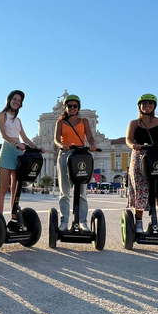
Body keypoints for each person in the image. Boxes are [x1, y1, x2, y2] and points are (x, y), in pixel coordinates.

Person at [125, 93, 158, 235]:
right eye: (144, 104)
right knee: (140, 189)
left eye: (150, 104)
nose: (147, 106)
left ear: (154, 106)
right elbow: (128, 139)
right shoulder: (134, 123)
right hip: (141, 156)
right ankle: (139, 223)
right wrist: (134, 145)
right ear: (139, 106)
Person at [0, 90, 40, 227]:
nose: (16, 102)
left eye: (19, 101)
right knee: (3, 187)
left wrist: (37, 148)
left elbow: (25, 138)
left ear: (20, 104)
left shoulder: (18, 120)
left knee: (16, 187)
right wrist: (16, 144)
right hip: (9, 149)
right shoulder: (2, 115)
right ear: (9, 100)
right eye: (15, 99)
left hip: (19, 152)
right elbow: (3, 135)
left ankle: (14, 216)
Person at [53, 94, 96, 231]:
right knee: (64, 191)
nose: (72, 108)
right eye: (69, 106)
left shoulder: (84, 121)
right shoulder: (60, 122)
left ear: (78, 107)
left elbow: (89, 136)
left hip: (80, 154)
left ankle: (83, 221)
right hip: (65, 154)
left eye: (75, 106)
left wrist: (93, 145)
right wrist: (61, 145)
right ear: (65, 107)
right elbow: (56, 139)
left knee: (82, 191)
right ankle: (64, 221)